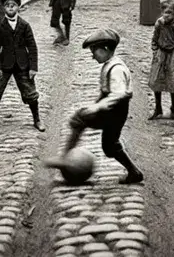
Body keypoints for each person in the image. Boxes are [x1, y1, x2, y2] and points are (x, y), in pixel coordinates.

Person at [46, 29, 145, 184]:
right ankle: (134, 172)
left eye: (94, 51)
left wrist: (97, 108)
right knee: (108, 145)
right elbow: (106, 91)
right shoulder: (110, 64)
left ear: (105, 49)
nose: (92, 56)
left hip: (115, 111)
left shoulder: (117, 68)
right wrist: (95, 104)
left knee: (84, 122)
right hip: (113, 111)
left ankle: (65, 158)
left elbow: (118, 95)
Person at [0, 0, 44, 131]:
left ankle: (37, 120)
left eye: (13, 5)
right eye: (7, 5)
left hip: (23, 64)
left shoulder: (24, 25)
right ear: (3, 8)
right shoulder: (0, 27)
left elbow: (32, 47)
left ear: (18, 7)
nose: (10, 7)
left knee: (31, 94)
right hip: (5, 65)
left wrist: (33, 67)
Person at [148, 0, 174, 120]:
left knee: (173, 80)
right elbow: (154, 39)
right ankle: (158, 107)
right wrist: (155, 52)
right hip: (161, 54)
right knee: (156, 81)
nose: (166, 15)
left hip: (173, 55)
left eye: (170, 13)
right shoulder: (159, 23)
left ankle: (173, 107)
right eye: (165, 12)